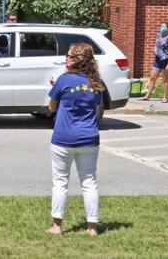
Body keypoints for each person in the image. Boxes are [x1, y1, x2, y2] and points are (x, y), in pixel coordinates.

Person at [46, 42, 104, 236]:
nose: (66, 59)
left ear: (77, 61)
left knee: (60, 182)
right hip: (89, 138)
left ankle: (57, 226)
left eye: (69, 56)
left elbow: (51, 107)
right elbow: (92, 103)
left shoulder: (63, 80)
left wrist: (57, 88)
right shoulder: (96, 82)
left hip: (63, 138)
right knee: (89, 182)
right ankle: (92, 227)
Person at [142, 22, 168, 103]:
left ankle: (165, 97)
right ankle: (147, 95)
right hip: (158, 59)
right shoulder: (159, 35)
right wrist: (155, 49)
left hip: (166, 60)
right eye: (161, 26)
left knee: (165, 79)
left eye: (164, 26)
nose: (162, 28)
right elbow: (156, 45)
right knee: (152, 78)